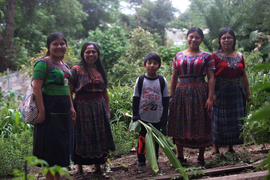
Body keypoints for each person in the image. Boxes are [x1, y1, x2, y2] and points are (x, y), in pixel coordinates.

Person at [168, 27, 215, 167]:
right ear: (187, 37)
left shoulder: (207, 56)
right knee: (179, 122)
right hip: (181, 93)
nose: (194, 39)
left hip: (200, 92)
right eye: (191, 36)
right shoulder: (178, 55)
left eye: (197, 37)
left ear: (201, 40)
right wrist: (171, 95)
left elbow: (211, 78)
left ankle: (201, 158)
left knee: (201, 121)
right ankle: (179, 156)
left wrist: (210, 98)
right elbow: (174, 77)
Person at [69, 42, 115, 179]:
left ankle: (98, 168)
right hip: (81, 108)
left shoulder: (99, 69)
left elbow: (105, 92)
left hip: (99, 108)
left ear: (97, 54)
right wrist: (71, 108)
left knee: (99, 136)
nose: (91, 54)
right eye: (88, 52)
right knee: (82, 137)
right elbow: (69, 91)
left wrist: (107, 108)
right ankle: (79, 170)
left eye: (93, 52)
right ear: (83, 54)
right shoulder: (76, 70)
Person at [33, 32, 72, 180]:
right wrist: (42, 112)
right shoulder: (43, 63)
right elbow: (37, 88)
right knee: (50, 151)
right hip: (50, 113)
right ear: (49, 46)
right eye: (55, 44)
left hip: (64, 113)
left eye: (62, 43)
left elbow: (67, 88)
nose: (59, 47)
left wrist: (72, 108)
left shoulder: (64, 65)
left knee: (60, 149)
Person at [211, 28, 251, 155]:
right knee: (218, 119)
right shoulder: (214, 56)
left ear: (233, 39)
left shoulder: (239, 56)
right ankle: (215, 148)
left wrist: (248, 93)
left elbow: (244, 76)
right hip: (220, 92)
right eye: (223, 38)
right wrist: (211, 95)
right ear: (220, 40)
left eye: (229, 37)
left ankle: (231, 147)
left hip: (236, 92)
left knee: (235, 120)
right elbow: (210, 77)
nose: (226, 40)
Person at [132, 52, 170, 172]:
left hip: (157, 117)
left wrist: (164, 116)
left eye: (155, 63)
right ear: (145, 65)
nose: (152, 65)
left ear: (159, 65)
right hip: (143, 117)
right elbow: (136, 98)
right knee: (142, 140)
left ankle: (155, 160)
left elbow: (165, 99)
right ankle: (141, 161)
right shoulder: (141, 79)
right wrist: (135, 115)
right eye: (149, 63)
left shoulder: (162, 80)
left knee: (155, 141)